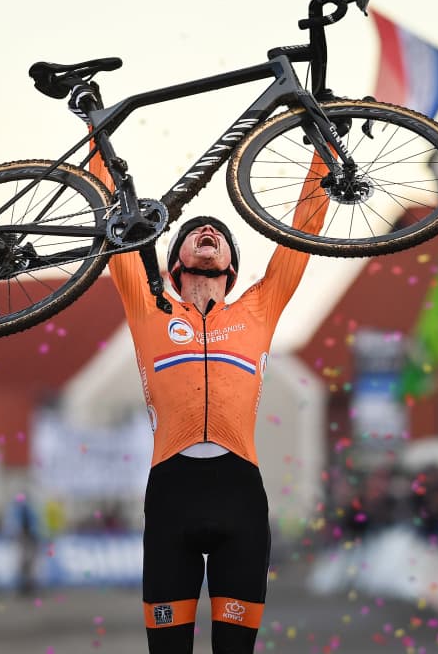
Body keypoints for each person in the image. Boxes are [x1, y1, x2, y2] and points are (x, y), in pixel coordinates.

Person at [89, 151, 329, 653]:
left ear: (232, 267)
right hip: (171, 497)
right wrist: (96, 131)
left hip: (239, 495)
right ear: (174, 264)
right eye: (195, 230)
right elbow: (110, 217)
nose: (208, 232)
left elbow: (302, 236)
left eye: (218, 233)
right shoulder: (147, 305)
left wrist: (322, 158)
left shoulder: (259, 309)